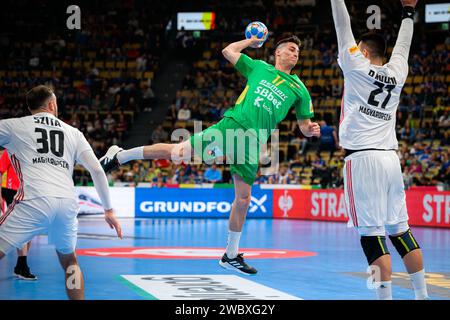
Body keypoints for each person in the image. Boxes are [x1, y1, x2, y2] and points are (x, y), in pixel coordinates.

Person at [99, 34, 320, 275]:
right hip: (233, 125)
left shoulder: (299, 89)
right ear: (277, 53)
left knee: (244, 200)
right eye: (290, 48)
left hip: (254, 141)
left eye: (297, 50)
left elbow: (304, 125)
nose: (295, 53)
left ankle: (231, 254)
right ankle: (121, 156)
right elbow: (227, 51)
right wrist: (250, 42)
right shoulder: (258, 67)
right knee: (178, 152)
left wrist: (311, 130)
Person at [331, 0, 428, 300]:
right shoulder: (397, 72)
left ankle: (382, 298)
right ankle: (422, 296)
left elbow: (342, 25)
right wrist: (408, 12)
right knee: (401, 231)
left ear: (363, 51)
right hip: (390, 159)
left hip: (362, 159)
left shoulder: (355, 65)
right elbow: (403, 46)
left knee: (371, 238)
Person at [0, 85, 122, 300]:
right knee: (70, 261)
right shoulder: (73, 132)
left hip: (33, 200)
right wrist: (109, 210)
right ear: (52, 104)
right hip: (66, 203)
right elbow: (96, 170)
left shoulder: (13, 126)